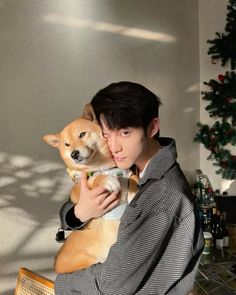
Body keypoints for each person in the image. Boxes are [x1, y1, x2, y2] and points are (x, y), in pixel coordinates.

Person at [55, 81, 204, 295]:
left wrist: (61, 283)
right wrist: (80, 213)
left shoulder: (162, 197)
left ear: (152, 128)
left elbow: (111, 285)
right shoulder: (125, 168)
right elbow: (68, 214)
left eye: (125, 133)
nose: (114, 146)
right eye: (107, 134)